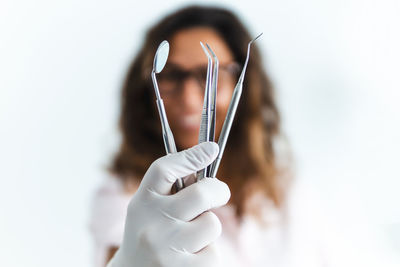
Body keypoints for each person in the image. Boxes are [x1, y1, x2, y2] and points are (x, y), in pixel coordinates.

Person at [89, 5, 387, 267]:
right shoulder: (130, 195)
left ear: (241, 87)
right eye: (174, 76)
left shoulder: (284, 188)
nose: (192, 99)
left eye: (209, 75)